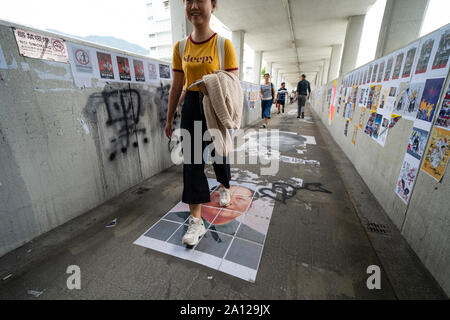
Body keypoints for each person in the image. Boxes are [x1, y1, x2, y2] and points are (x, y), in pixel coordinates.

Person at [164, 0, 239, 247]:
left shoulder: (223, 44)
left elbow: (232, 84)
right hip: (192, 106)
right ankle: (196, 221)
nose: (194, 6)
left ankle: (224, 185)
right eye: (188, 1)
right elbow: (177, 85)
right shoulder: (181, 46)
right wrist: (169, 117)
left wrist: (213, 85)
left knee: (219, 153)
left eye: (200, 1)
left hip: (214, 103)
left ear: (213, 5)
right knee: (193, 162)